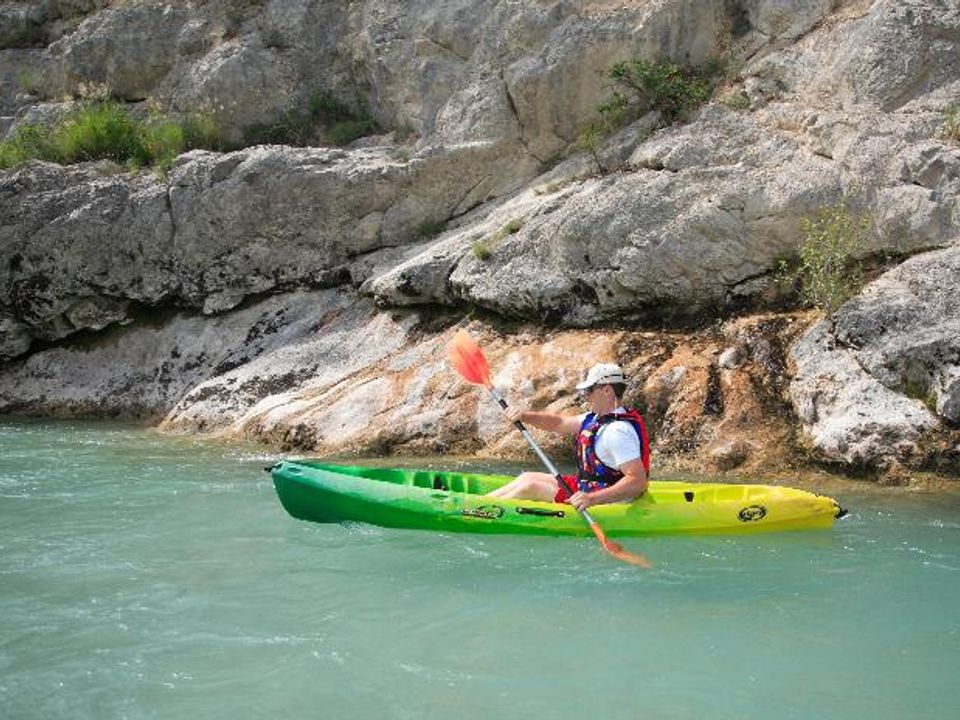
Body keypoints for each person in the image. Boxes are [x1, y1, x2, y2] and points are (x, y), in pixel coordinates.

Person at [487, 362, 650, 511]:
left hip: (610, 501)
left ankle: (481, 511)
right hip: (590, 489)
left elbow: (637, 482)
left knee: (531, 487)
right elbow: (558, 423)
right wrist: (524, 416)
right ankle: (481, 502)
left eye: (589, 390)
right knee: (527, 477)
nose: (586, 396)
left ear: (607, 390)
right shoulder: (595, 418)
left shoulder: (617, 431)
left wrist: (591, 499)